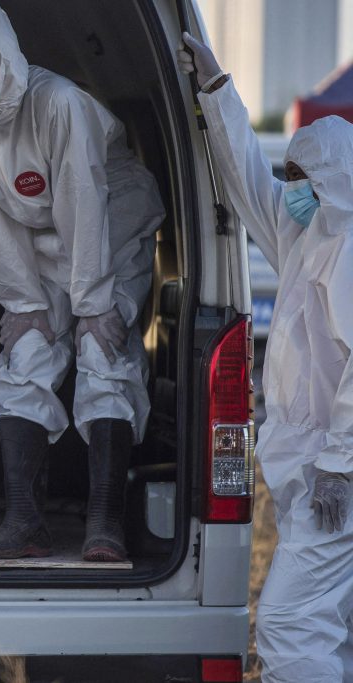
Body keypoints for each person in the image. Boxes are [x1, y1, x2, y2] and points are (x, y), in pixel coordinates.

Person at [0, 0, 165, 561]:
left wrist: (91, 301)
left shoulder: (57, 103)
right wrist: (24, 302)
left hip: (110, 219)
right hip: (36, 228)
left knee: (100, 346)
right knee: (27, 350)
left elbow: (84, 199)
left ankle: (103, 522)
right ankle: (23, 521)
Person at [179, 33, 353, 683]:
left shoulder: (349, 251)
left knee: (287, 622)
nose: (294, 190)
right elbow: (250, 177)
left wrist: (339, 465)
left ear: (335, 183)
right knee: (334, 624)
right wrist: (218, 90)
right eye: (294, 176)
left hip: (338, 477)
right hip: (313, 468)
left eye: (307, 180)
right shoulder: (309, 232)